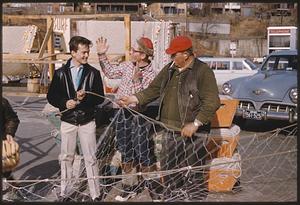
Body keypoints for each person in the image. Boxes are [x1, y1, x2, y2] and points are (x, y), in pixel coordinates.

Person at [118, 36, 221, 201]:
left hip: (194, 134)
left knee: (192, 171)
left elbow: (212, 102)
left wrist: (195, 124)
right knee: (170, 172)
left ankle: (194, 199)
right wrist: (133, 98)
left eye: (174, 54)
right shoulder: (170, 69)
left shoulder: (203, 72)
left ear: (186, 54)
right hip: (169, 130)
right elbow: (153, 90)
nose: (171, 58)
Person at [96, 36, 159, 201]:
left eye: (134, 51)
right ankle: (129, 187)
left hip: (139, 116)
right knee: (125, 150)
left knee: (143, 151)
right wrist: (102, 54)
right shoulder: (127, 66)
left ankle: (153, 188)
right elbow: (109, 72)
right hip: (122, 114)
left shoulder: (152, 74)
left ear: (143, 55)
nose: (130, 52)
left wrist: (137, 81)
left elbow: (144, 98)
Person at [47, 36, 105, 202]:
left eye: (88, 52)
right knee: (66, 157)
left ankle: (96, 194)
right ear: (73, 52)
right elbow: (51, 96)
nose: (86, 55)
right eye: (83, 52)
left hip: (87, 121)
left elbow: (100, 98)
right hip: (68, 121)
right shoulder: (59, 73)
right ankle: (65, 192)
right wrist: (64, 102)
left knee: (91, 158)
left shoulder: (94, 73)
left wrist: (84, 98)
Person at [1, 97, 20, 200]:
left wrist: (9, 133)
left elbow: (13, 119)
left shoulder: (2, 102)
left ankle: (11, 187)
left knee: (5, 169)